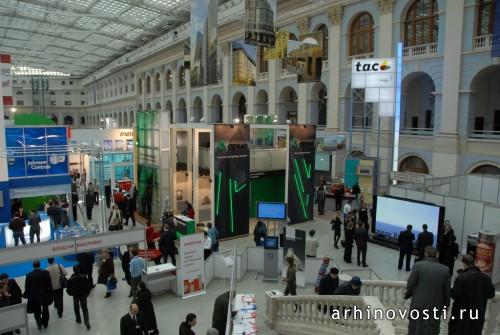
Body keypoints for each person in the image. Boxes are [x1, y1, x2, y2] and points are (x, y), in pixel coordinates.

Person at [405, 246, 451, 335]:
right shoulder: (445, 270)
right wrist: (446, 306)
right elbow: (447, 291)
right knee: (432, 328)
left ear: (425, 253)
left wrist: (408, 294)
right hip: (436, 305)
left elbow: (410, 283)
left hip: (418, 302)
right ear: (437, 255)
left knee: (415, 327)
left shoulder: (418, 265)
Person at [448, 254, 496, 335]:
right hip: (478, 314)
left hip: (461, 315)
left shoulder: (461, 277)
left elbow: (454, 295)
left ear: (464, 263)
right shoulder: (486, 278)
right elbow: (491, 294)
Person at [24, 260, 53, 330]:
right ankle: (45, 324)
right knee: (45, 309)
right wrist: (49, 293)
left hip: (34, 296)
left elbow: (27, 287)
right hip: (44, 294)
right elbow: (49, 284)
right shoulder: (46, 273)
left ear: (33, 266)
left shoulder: (29, 275)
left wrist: (28, 295)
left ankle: (39, 324)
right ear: (40, 265)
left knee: (36, 310)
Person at [66, 265, 92, 330]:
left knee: (76, 308)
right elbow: (88, 287)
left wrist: (72, 294)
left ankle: (78, 319)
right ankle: (87, 323)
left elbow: (68, 290)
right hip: (83, 295)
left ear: (73, 270)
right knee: (85, 309)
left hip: (75, 296)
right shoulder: (84, 277)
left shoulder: (71, 279)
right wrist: (87, 294)